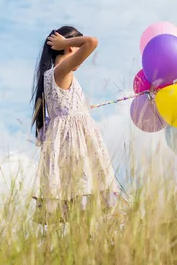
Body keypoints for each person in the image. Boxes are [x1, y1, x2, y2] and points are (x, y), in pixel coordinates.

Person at [31, 26, 127, 224]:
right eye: (74, 47)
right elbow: (91, 42)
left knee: (80, 206)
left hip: (68, 145)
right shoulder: (61, 70)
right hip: (75, 148)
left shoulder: (54, 75)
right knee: (82, 206)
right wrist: (65, 42)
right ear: (68, 48)